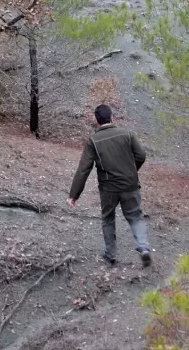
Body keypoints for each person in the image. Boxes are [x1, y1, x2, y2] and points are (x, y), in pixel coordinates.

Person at [68, 104, 152, 267]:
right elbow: (141, 155)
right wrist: (132, 171)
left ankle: (110, 255)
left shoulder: (93, 140)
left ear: (97, 121)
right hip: (130, 185)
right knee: (135, 215)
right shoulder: (127, 134)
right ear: (111, 117)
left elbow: (83, 169)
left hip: (108, 189)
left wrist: (74, 195)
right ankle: (143, 248)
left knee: (108, 218)